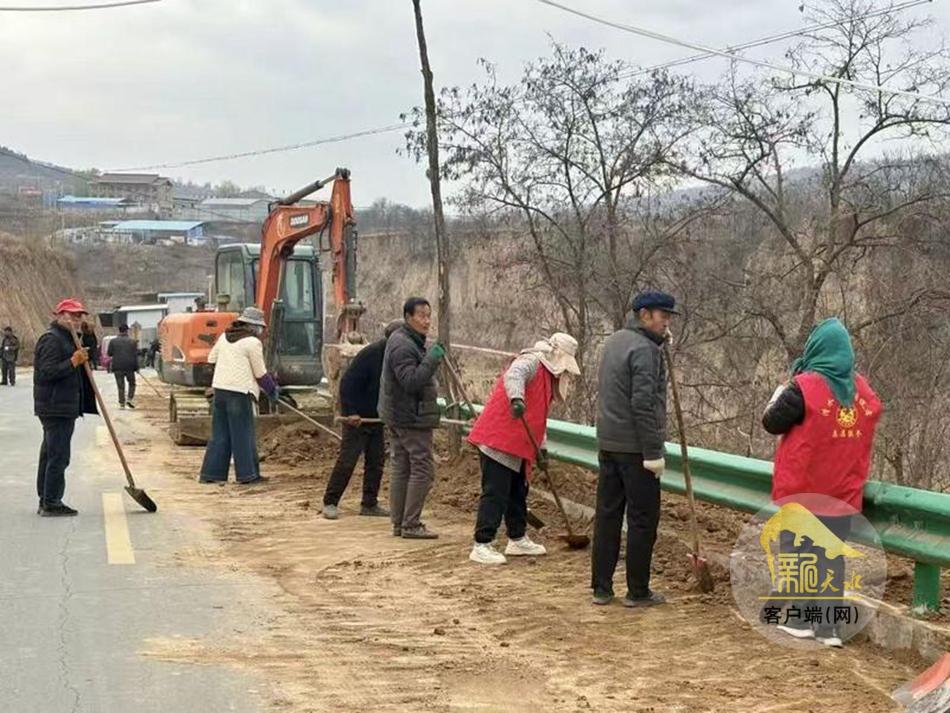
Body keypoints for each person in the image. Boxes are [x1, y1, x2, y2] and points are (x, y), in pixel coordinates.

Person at [762, 318, 882, 648]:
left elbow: (772, 423)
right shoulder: (863, 392)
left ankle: (800, 620)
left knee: (800, 555)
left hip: (804, 491)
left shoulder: (804, 387)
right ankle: (829, 629)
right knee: (831, 559)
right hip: (841, 493)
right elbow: (872, 413)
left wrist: (779, 394)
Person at [591, 290, 679, 607]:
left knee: (608, 516)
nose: (667, 323)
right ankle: (638, 591)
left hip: (609, 442)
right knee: (643, 520)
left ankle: (601, 588)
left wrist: (660, 345)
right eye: (663, 316)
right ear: (644, 315)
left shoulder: (614, 341)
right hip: (635, 448)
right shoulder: (645, 350)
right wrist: (653, 452)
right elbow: (643, 404)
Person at [467, 333, 581, 565]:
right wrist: (516, 399)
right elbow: (514, 375)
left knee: (518, 492)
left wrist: (542, 448)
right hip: (499, 439)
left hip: (519, 444)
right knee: (496, 493)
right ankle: (482, 543)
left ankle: (517, 538)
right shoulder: (533, 361)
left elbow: (539, 417)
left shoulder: (548, 380)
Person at [322, 320, 403, 520]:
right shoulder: (371, 354)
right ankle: (330, 502)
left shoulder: (396, 356)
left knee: (376, 460)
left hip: (376, 417)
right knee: (348, 460)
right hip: (357, 417)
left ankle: (369, 503)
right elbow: (347, 384)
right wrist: (351, 411)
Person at [378, 297, 444, 539]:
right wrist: (432, 359)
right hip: (410, 417)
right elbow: (411, 382)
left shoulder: (405, 340)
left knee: (402, 467)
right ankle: (411, 524)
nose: (426, 321)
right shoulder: (403, 346)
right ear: (408, 317)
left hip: (399, 414)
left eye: (428, 316)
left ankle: (400, 523)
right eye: (421, 316)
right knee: (422, 468)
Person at [198, 306, 278, 485]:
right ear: (254, 327)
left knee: (220, 434)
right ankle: (248, 476)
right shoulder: (252, 342)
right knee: (243, 435)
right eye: (261, 328)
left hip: (220, 390)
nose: (261, 332)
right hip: (239, 392)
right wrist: (272, 390)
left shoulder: (224, 337)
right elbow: (260, 373)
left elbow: (211, 359)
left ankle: (211, 474)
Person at [33, 299, 98, 516]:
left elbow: (91, 356)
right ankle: (52, 502)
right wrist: (72, 362)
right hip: (55, 406)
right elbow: (46, 372)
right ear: (60, 315)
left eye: (79, 316)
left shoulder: (70, 338)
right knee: (58, 456)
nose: (76, 319)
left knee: (50, 454)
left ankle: (46, 498)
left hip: (61, 405)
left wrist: (88, 336)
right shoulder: (52, 339)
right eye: (72, 315)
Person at [108, 324, 139, 409]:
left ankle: (122, 403)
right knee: (132, 383)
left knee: (120, 386)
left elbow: (109, 353)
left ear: (119, 330)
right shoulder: (132, 341)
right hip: (130, 366)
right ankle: (130, 398)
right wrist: (137, 368)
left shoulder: (113, 341)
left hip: (117, 366)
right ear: (127, 331)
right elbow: (135, 355)